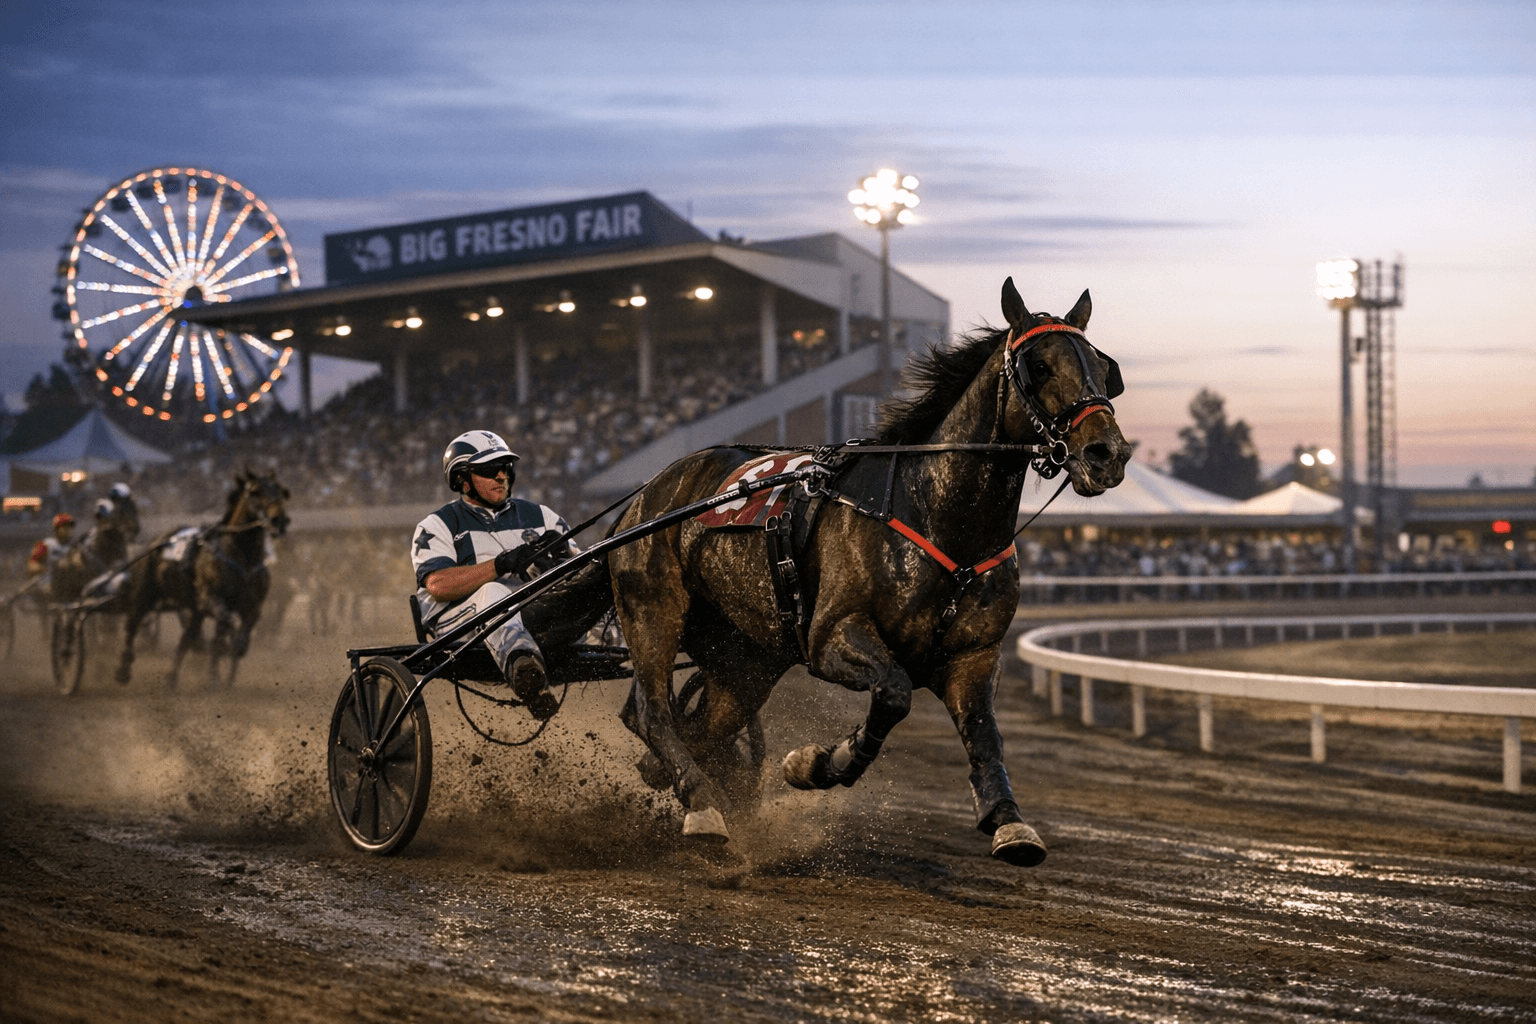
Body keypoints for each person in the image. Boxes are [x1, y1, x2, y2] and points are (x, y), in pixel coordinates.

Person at [411, 430, 573, 719]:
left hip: (526, 615)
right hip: (456, 627)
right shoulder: (438, 524)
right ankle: (524, 671)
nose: (501, 475)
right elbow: (438, 585)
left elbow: (581, 572)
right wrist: (500, 565)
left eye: (506, 467)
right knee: (494, 592)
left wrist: (563, 564)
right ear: (461, 479)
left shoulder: (542, 516)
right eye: (489, 469)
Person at [27, 513, 75, 578]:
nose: (69, 529)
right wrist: (45, 569)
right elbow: (32, 566)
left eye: (70, 526)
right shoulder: (45, 544)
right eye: (65, 526)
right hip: (47, 584)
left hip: (66, 584)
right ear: (57, 528)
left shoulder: (74, 547)